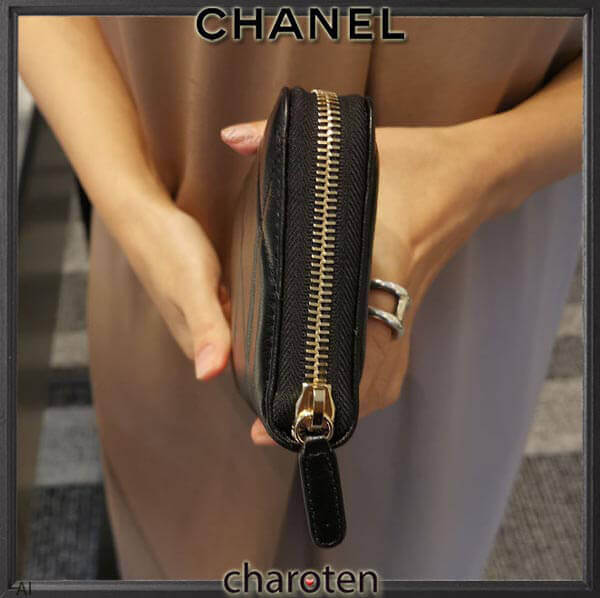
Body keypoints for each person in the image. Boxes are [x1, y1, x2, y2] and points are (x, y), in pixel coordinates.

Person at [19, 14, 583, 579]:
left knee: (409, 546)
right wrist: (130, 204)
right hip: (166, 231)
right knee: (187, 541)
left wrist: (476, 174)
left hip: (470, 257)